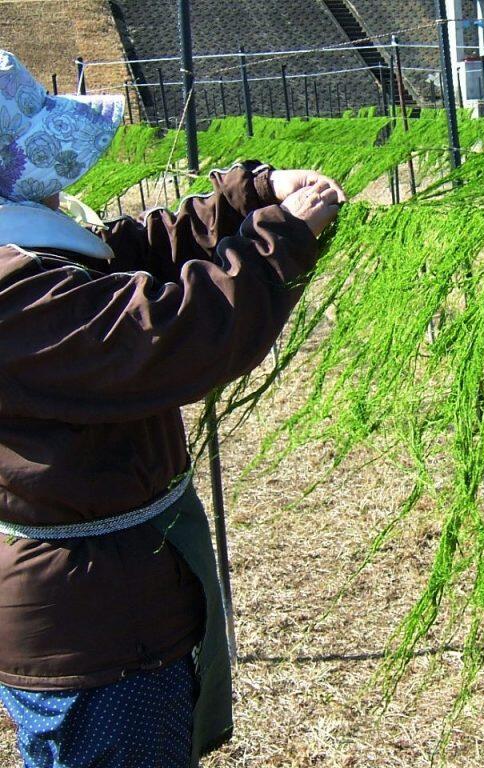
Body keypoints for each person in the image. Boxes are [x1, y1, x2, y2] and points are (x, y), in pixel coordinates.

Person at [0, 50, 344, 767]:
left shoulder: (26, 257)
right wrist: (274, 243)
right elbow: (162, 334)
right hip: (94, 627)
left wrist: (250, 197)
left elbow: (129, 252)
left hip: (104, 593)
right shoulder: (15, 297)